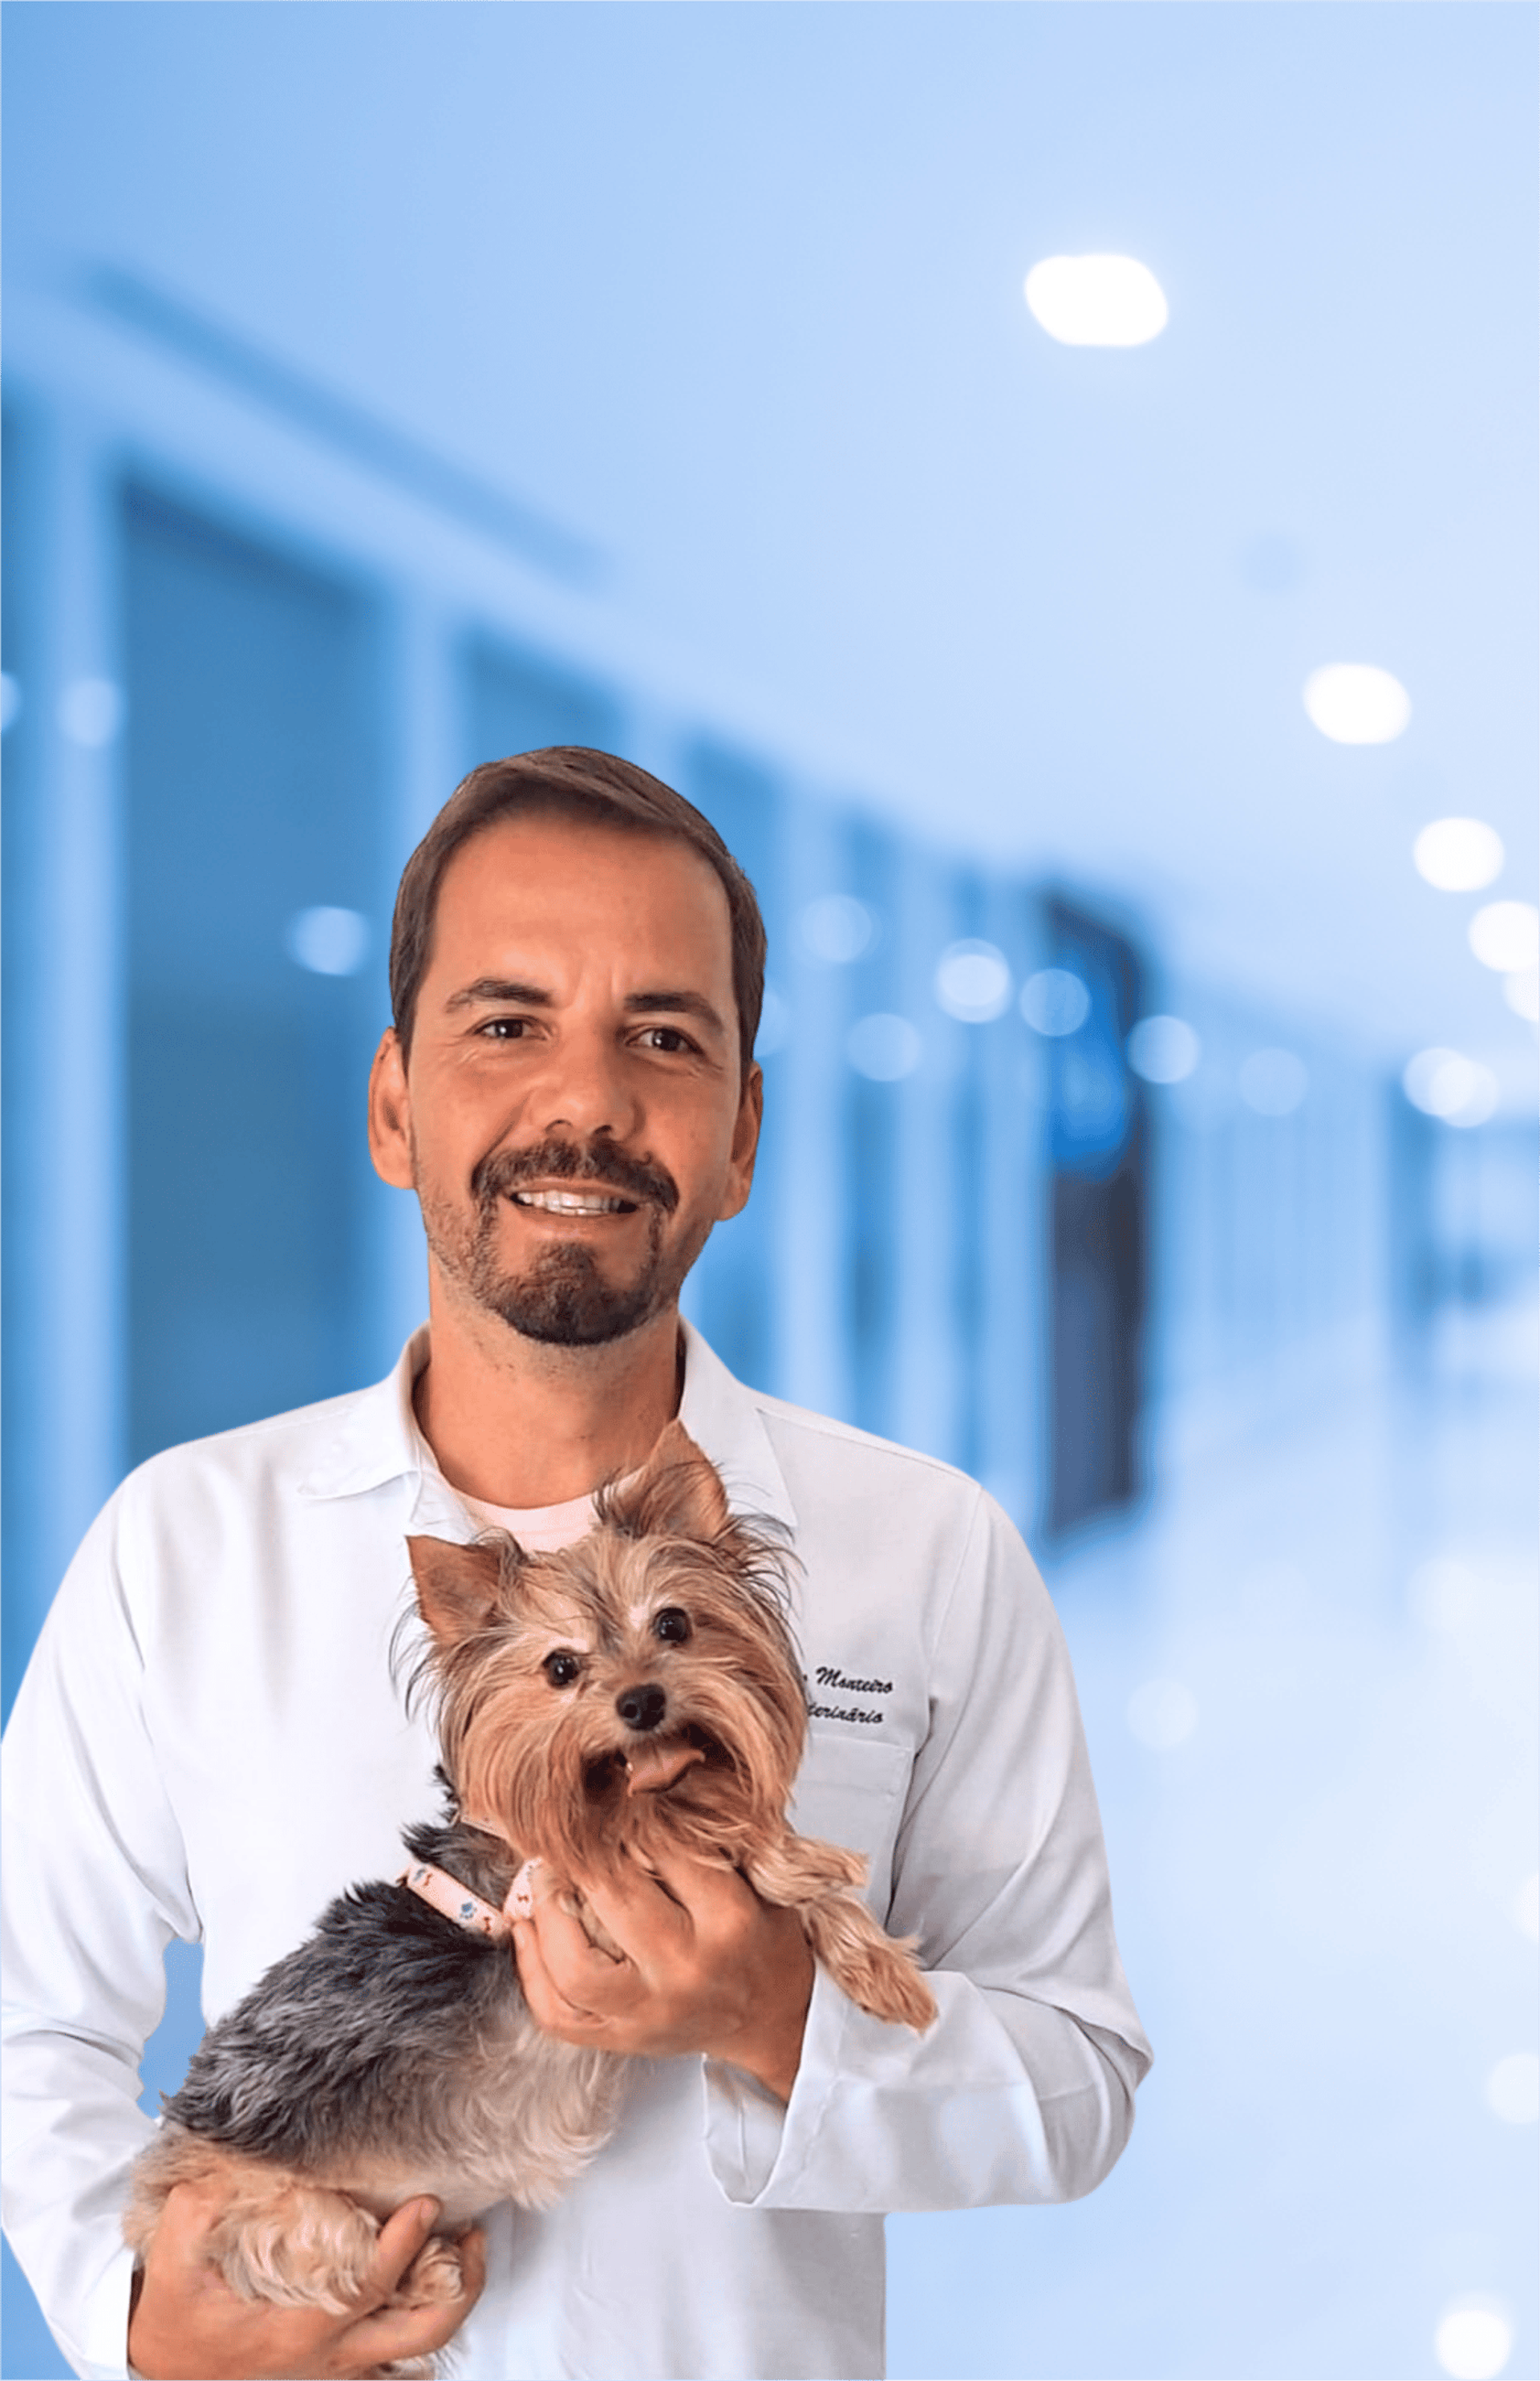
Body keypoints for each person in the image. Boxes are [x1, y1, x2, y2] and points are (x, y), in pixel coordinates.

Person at [2, 748, 1151, 2381]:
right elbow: (23, 2016)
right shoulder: (181, 1539)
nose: (587, 1102)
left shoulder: (930, 1544)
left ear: (742, 1130)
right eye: (507, 1020)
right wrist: (139, 2325)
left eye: (663, 1036)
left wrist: (774, 2014)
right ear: (396, 1103)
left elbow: (1079, 2078)